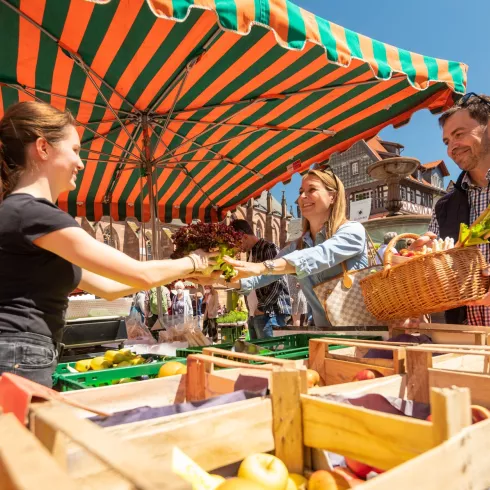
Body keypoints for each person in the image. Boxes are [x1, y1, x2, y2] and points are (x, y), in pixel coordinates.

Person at [0, 101, 213, 386]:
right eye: (75, 150)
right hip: (20, 352)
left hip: (23, 351)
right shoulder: (33, 214)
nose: (80, 162)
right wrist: (195, 261)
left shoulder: (23, 216)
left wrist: (183, 272)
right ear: (43, 148)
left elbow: (110, 288)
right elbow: (138, 273)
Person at [194, 166, 368, 328]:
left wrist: (262, 266)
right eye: (301, 192)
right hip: (325, 334)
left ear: (333, 197)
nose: (302, 197)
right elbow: (258, 279)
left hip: (361, 333)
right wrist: (215, 278)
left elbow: (319, 255)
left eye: (312, 190)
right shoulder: (298, 246)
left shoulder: (352, 231)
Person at [410, 93, 490, 325]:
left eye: (459, 134)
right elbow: (437, 278)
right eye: (447, 141)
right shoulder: (444, 206)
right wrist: (417, 259)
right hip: (466, 342)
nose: (451, 148)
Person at [230, 220, 292, 339]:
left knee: (271, 355)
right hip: (255, 315)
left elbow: (277, 281)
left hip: (269, 314)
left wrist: (261, 307)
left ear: (244, 236)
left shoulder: (269, 248)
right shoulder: (251, 253)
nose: (236, 248)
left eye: (237, 243)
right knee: (258, 356)